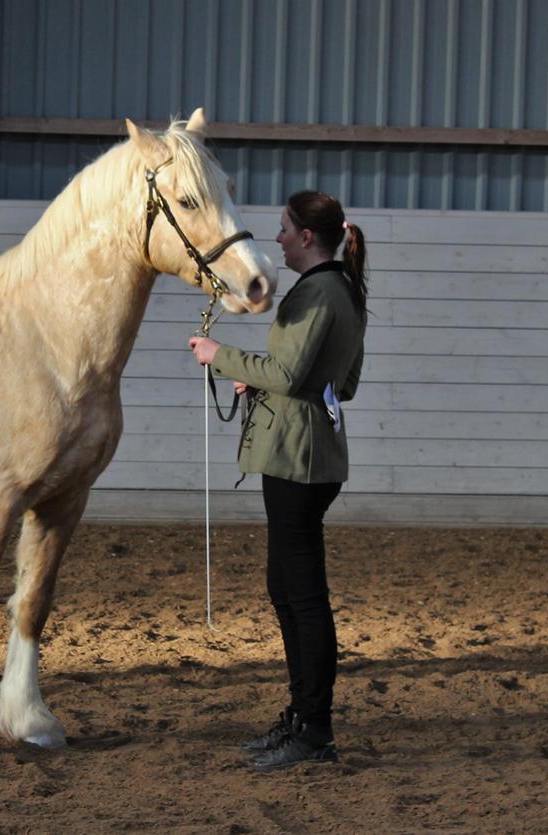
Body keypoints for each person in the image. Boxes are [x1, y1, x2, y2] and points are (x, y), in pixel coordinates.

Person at [188, 190, 368, 772]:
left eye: (286, 230)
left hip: (297, 458)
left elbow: (291, 372)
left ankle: (315, 728)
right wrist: (261, 380)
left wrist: (222, 355)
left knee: (303, 599)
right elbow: (342, 381)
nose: (280, 239)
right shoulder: (342, 290)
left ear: (308, 237)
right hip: (302, 452)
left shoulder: (318, 292)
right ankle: (302, 716)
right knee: (288, 592)